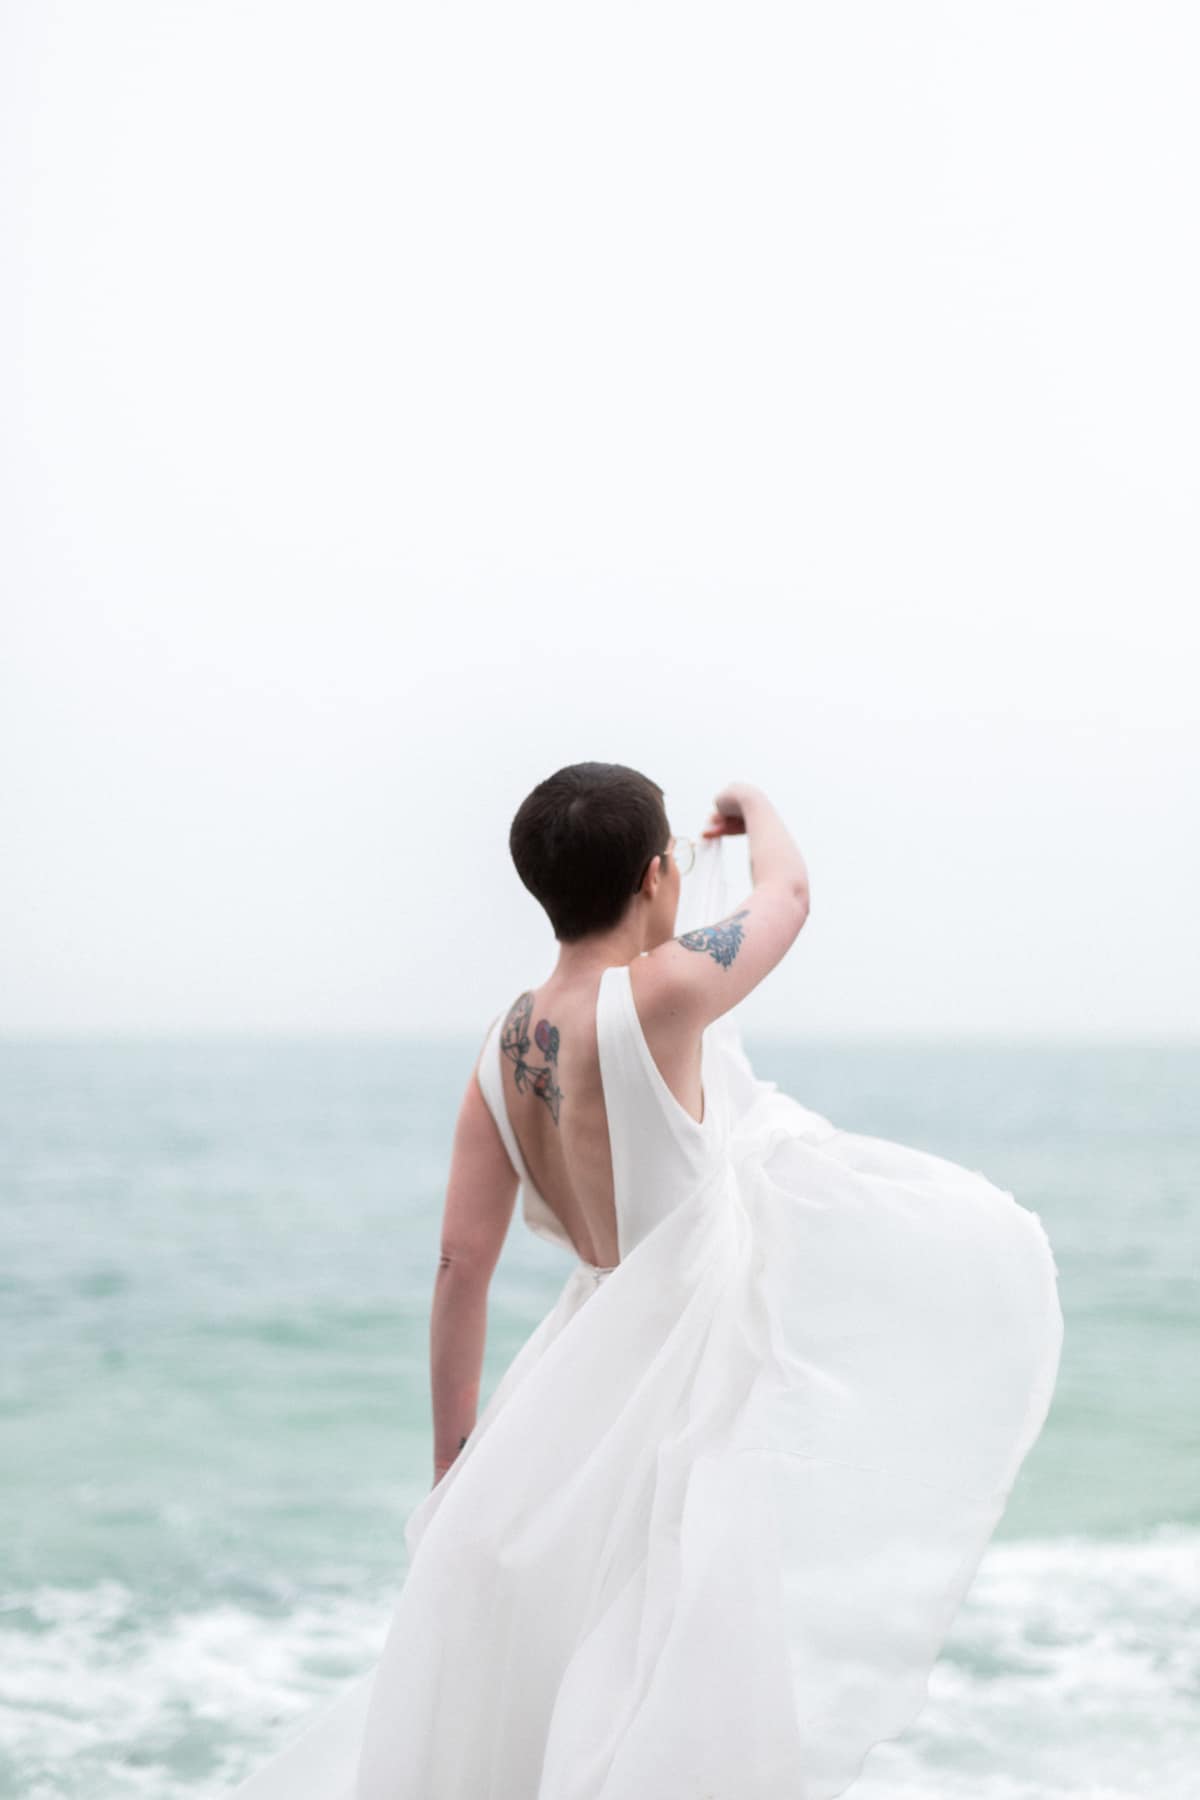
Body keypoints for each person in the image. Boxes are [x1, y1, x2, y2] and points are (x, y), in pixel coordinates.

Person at [230, 762, 1063, 1800]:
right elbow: (788, 897)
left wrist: (455, 1468)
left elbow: (459, 1265)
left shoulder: (503, 1047)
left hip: (569, 1392)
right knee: (666, 1687)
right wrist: (755, 806)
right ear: (658, 873)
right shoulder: (664, 993)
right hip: (682, 1389)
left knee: (563, 1667)